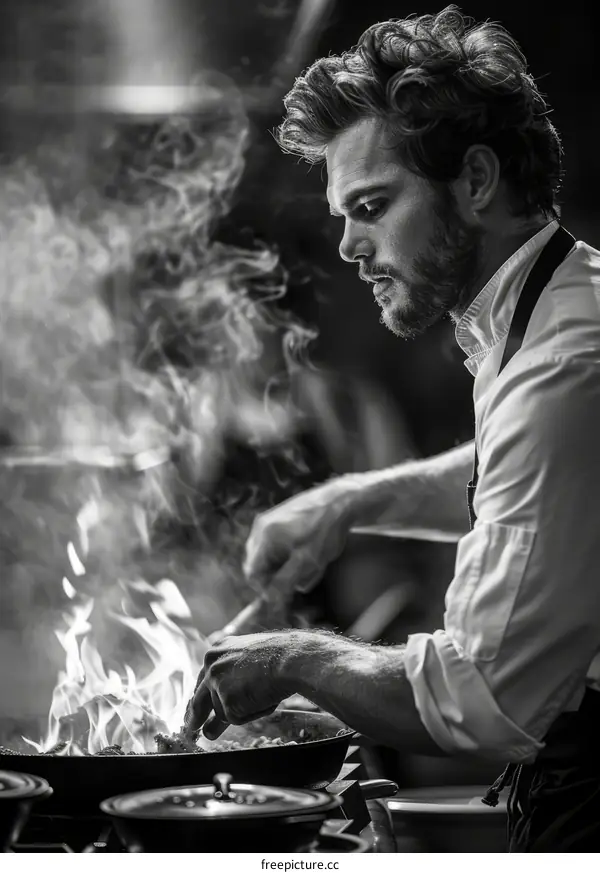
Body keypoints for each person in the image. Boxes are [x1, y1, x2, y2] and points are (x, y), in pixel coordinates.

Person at [185, 6, 600, 851]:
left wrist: (290, 657)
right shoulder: (555, 311)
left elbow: (479, 700)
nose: (347, 246)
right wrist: (344, 502)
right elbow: (511, 475)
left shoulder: (562, 367)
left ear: (475, 180)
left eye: (371, 206)